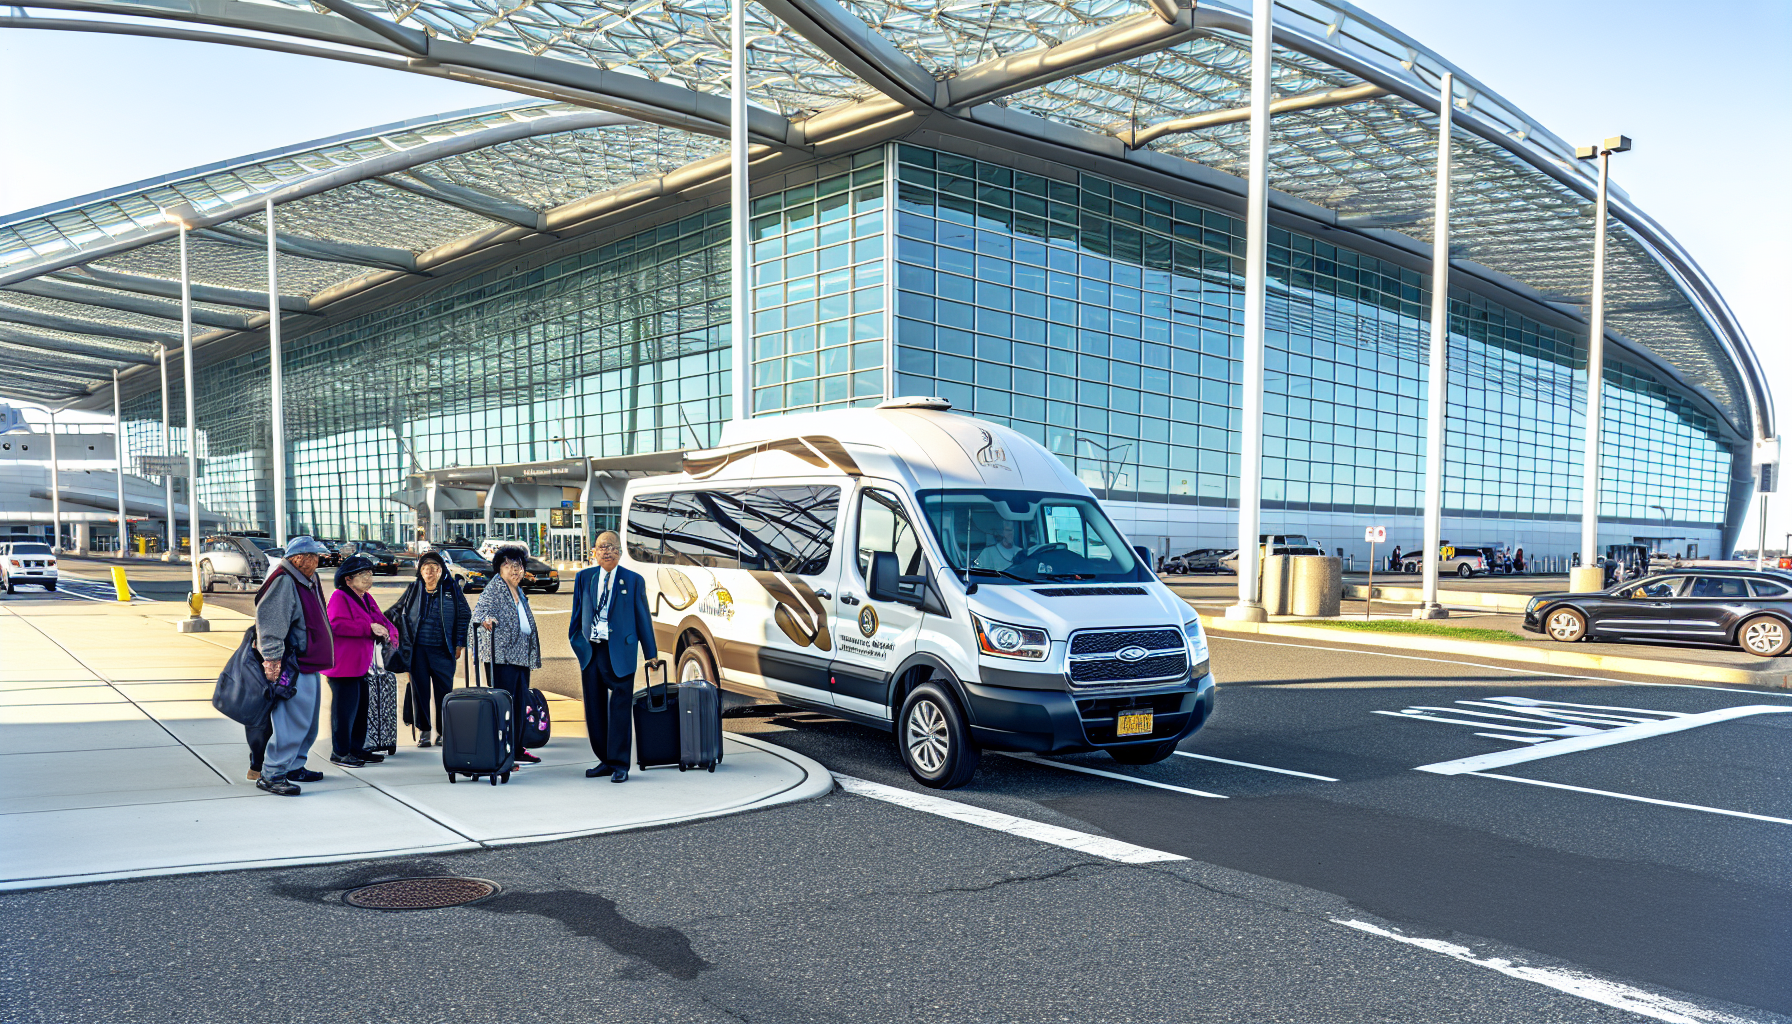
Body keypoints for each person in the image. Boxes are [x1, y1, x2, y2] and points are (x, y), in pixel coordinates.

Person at [570, 531, 658, 783]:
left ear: (620, 551)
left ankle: (620, 764)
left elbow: (643, 618)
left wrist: (650, 653)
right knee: (594, 709)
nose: (607, 551)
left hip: (620, 651)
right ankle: (605, 760)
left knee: (619, 708)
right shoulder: (583, 578)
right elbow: (576, 615)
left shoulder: (633, 580)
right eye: (602, 547)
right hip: (592, 652)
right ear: (594, 552)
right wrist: (577, 643)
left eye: (612, 547)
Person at [252, 536, 336, 797]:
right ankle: (273, 773)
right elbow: (271, 625)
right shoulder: (284, 580)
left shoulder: (307, 578)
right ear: (299, 558)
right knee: (292, 721)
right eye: (314, 557)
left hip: (308, 663)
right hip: (292, 664)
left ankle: (295, 765)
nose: (317, 562)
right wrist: (273, 660)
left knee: (308, 722)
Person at [469, 546, 542, 766]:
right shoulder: (494, 589)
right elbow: (480, 613)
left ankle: (517, 748)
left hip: (520, 656)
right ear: (498, 568)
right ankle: (503, 752)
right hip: (501, 657)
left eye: (518, 565)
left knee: (519, 704)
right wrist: (486, 621)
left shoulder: (518, 591)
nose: (514, 570)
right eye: (508, 565)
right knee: (503, 707)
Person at [390, 551, 470, 748]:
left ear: (441, 570)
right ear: (421, 571)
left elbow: (464, 615)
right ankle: (424, 731)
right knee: (420, 693)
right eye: (425, 568)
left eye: (434, 568)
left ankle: (444, 732)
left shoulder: (451, 588)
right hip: (418, 652)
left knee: (444, 693)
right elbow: (397, 611)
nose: (429, 572)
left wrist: (460, 643)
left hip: (444, 651)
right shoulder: (414, 588)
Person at [323, 555, 396, 768]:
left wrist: (389, 630)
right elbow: (335, 624)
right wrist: (368, 629)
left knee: (361, 708)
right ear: (348, 579)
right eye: (362, 574)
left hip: (360, 665)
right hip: (343, 666)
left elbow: (379, 618)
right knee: (344, 712)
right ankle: (340, 752)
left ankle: (356, 749)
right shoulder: (340, 596)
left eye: (370, 573)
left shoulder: (365, 597)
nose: (368, 578)